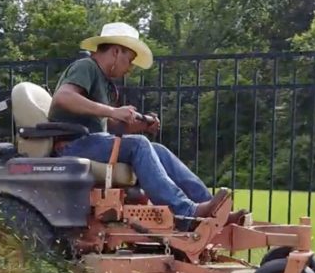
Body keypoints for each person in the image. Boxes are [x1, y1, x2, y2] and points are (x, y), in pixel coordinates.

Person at [47, 22, 246, 225]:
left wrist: (136, 125)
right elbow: (63, 98)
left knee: (155, 148)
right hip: (72, 145)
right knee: (139, 144)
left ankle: (212, 210)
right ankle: (186, 212)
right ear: (116, 51)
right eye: (130, 60)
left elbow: (104, 127)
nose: (131, 68)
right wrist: (114, 111)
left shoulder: (105, 83)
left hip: (91, 142)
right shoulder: (86, 67)